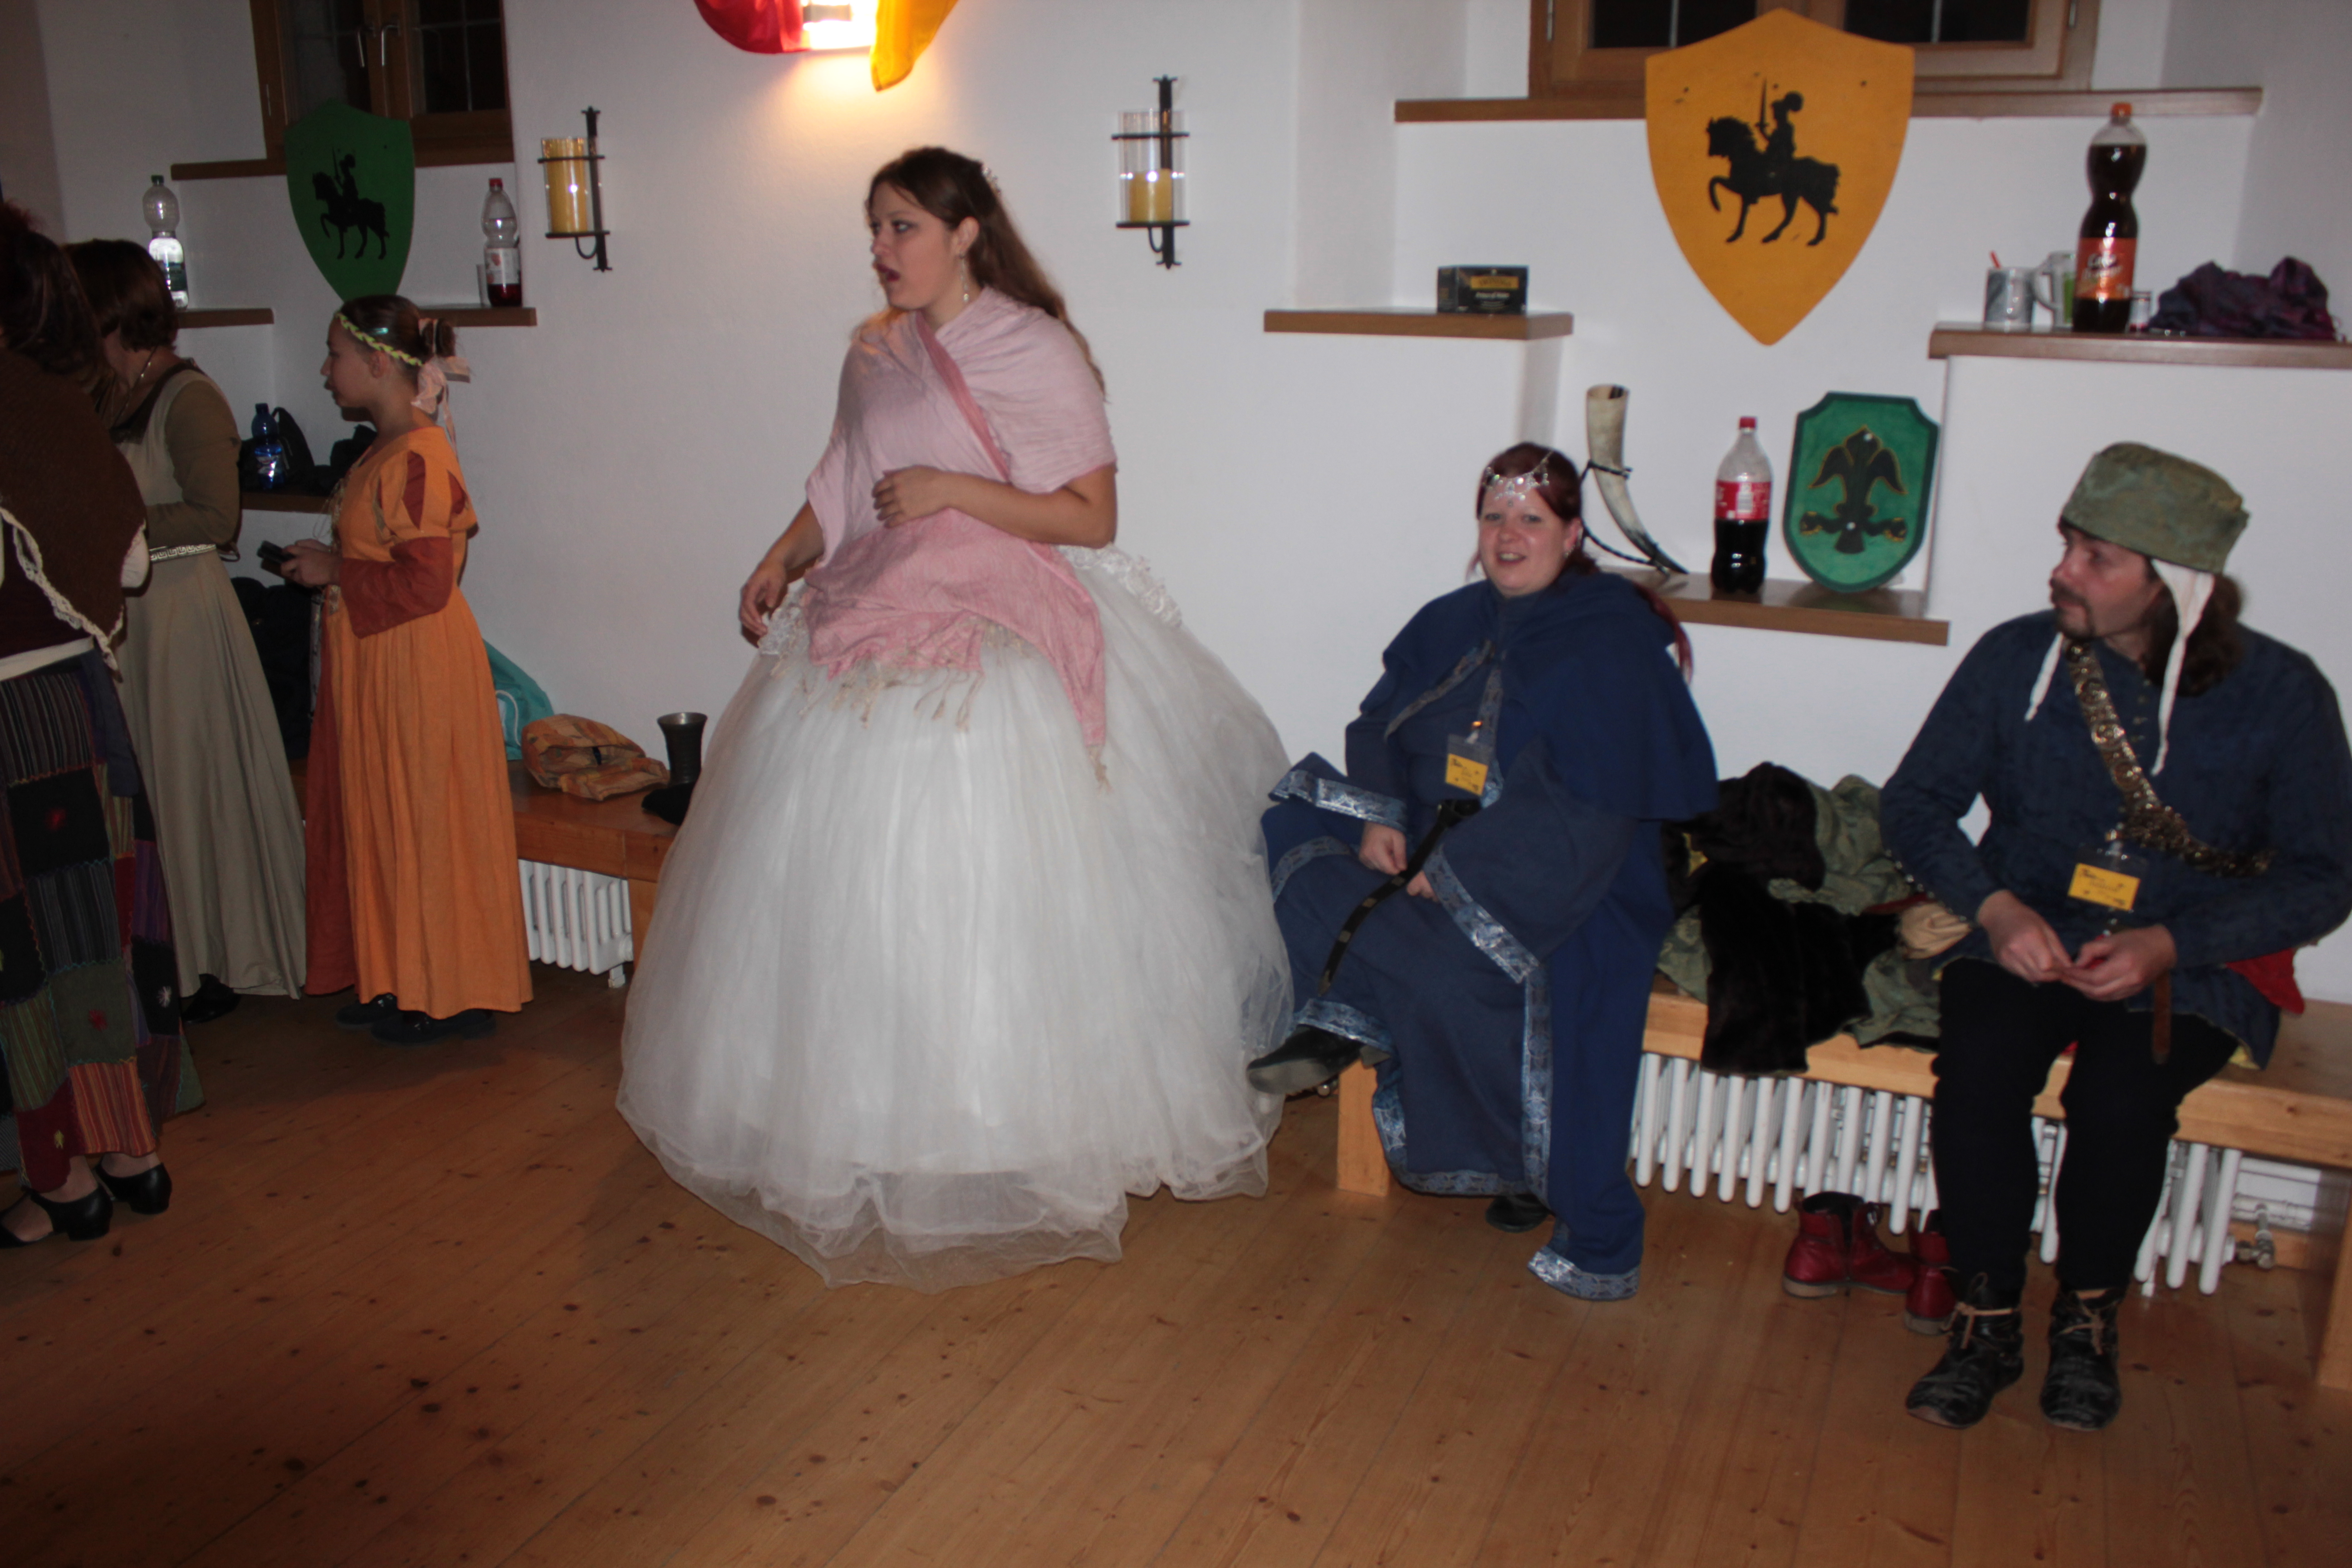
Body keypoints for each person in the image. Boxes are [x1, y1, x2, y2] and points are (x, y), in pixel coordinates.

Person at [617, 147, 1289, 1291]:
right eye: (875, 229)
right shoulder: (875, 350)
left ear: (966, 232)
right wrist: (782, 554)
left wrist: (952, 491)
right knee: (843, 892)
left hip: (997, 617)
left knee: (981, 887)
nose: (883, 251)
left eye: (904, 228)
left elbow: (1089, 516)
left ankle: (999, 1127)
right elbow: (845, 480)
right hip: (875, 610)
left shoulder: (1034, 347)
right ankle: (854, 1116)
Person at [1881, 443, 2352, 1431]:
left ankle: (2088, 1323)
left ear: (2174, 585)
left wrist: (2174, 944)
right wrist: (1995, 908)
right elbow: (1916, 804)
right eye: (2069, 545)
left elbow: (2326, 876)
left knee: (2123, 1097)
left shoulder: (2283, 693)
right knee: (1977, 1070)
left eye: (2098, 557)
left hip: (2193, 953)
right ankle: (1986, 1318)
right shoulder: (2015, 658)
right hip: (2024, 928)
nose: (2064, 571)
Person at [1245, 444, 1717, 1300]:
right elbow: (1379, 723)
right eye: (1495, 517)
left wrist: (1462, 869)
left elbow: (1593, 807)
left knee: (1457, 971)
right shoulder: (1453, 619)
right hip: (1424, 835)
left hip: (1562, 873)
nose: (1508, 536)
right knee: (1290, 821)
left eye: (1531, 519)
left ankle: (1377, 1027)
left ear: (1572, 535)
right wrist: (1383, 816)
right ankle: (1356, 1004)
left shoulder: (1609, 640)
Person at [0, 202, 193, 1244]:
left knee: (23, 953)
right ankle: (132, 1152)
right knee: (96, 938)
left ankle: (61, 1179)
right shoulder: (56, 405)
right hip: (79, 702)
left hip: (9, 715)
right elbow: (128, 561)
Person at [276, 296, 531, 1045]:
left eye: (335, 355)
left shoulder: (419, 453)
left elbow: (426, 584)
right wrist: (333, 563)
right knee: (383, 816)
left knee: (426, 819)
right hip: (379, 654)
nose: (325, 370)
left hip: (415, 658)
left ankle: (449, 993)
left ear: (378, 363)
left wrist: (334, 572)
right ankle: (396, 976)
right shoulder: (384, 448)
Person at [67, 239, 306, 1023]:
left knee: (189, 784)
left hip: (179, 612)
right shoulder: (105, 393)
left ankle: (209, 958)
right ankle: (162, 952)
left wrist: (108, 524)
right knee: (147, 789)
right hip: (126, 613)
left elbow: (214, 516)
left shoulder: (189, 396)